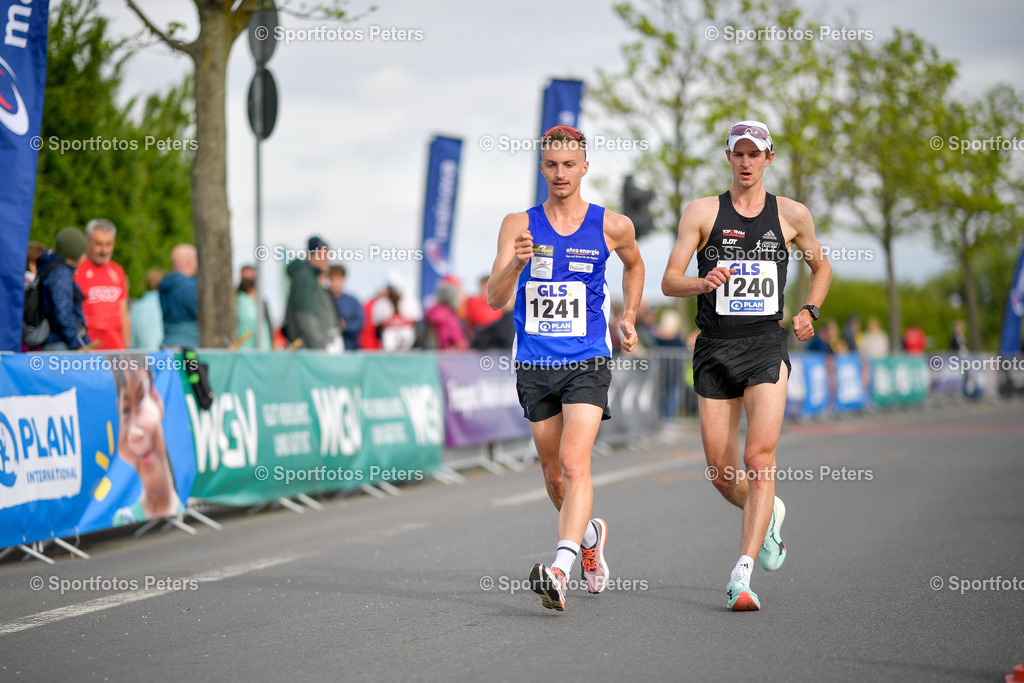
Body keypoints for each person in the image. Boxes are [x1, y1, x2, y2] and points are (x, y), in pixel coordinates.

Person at [661, 120, 831, 611]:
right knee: (720, 470)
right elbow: (671, 280)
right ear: (729, 157)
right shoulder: (702, 212)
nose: (746, 161)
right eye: (739, 153)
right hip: (714, 346)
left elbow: (821, 265)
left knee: (760, 459)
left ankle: (743, 573)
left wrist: (808, 310)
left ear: (769, 159)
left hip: (764, 345)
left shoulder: (793, 215)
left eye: (755, 154)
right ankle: (769, 510)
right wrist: (702, 282)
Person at [487, 125, 645, 612]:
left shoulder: (610, 225)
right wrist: (515, 265)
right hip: (534, 363)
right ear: (542, 168)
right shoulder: (519, 224)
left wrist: (630, 315)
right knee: (554, 476)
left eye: (569, 165)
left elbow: (635, 265)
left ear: (584, 168)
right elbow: (494, 300)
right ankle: (590, 535)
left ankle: (561, 567)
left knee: (577, 464)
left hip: (587, 362)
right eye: (552, 165)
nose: (560, 174)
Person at [109, 355, 185, 524]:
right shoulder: (122, 520)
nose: (135, 433)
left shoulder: (189, 497)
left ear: (157, 398)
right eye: (126, 410)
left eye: (141, 398)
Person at [74, 219, 130, 350]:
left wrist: (128, 349)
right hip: (89, 348)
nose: (104, 250)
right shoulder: (77, 270)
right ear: (87, 241)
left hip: (116, 348)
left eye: (109, 244)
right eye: (98, 244)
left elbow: (124, 313)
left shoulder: (117, 271)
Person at [37, 227, 92, 351]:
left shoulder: (57, 271)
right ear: (75, 253)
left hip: (60, 342)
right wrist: (78, 344)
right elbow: (63, 312)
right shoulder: (61, 274)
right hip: (60, 343)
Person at [283, 236, 342, 351]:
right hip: (311, 347)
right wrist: (319, 347)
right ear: (314, 254)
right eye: (323, 255)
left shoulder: (311, 277)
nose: (326, 259)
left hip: (316, 345)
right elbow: (305, 317)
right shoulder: (304, 278)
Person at [159, 244, 200, 348]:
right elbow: (199, 313)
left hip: (167, 341)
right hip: (189, 344)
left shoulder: (165, 284)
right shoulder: (189, 285)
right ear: (189, 262)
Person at [327, 263, 364, 350]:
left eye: (338, 279)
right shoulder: (324, 300)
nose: (335, 283)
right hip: (329, 347)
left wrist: (345, 326)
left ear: (343, 279)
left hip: (350, 347)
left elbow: (359, 323)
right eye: (332, 279)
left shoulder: (352, 301)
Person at [424, 280, 469, 350]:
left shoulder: (430, 312)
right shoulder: (450, 319)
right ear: (454, 298)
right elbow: (460, 345)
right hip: (446, 357)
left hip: (430, 354)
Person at [130, 269, 165, 350]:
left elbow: (132, 338)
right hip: (162, 354)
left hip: (141, 355)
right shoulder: (166, 304)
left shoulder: (137, 306)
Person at [236, 272, 271, 349]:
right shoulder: (253, 311)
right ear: (252, 290)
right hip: (251, 354)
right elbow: (262, 337)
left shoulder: (237, 304)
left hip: (239, 351)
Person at [465, 275, 503, 341]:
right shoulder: (473, 301)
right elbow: (477, 318)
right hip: (477, 337)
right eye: (484, 286)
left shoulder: (498, 302)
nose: (486, 289)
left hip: (495, 337)